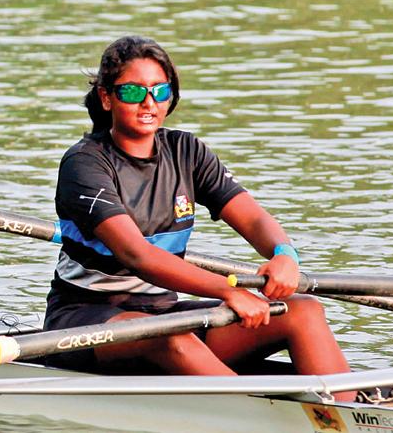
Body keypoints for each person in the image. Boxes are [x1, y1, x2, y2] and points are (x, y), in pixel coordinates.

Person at [44, 35, 355, 401]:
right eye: (132, 93)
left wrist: (284, 253)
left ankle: (346, 414)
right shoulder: (85, 164)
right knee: (168, 335)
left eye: (160, 92)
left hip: (167, 313)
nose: (148, 103)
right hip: (86, 323)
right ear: (107, 98)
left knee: (302, 310)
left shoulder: (187, 152)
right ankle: (263, 419)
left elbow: (253, 218)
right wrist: (228, 292)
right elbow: (137, 256)